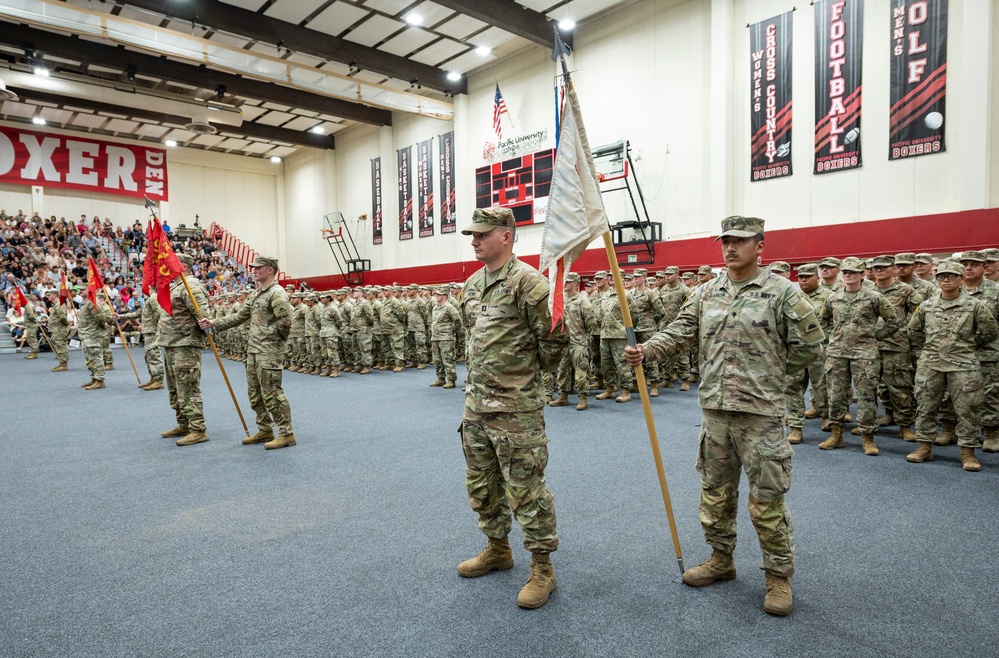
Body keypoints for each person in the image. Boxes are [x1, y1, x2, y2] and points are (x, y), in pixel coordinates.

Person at [624, 215, 825, 617]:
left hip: (760, 415)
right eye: (726, 241)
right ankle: (721, 559)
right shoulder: (706, 292)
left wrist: (772, 375)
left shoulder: (783, 293)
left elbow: (811, 347)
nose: (730, 248)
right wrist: (647, 350)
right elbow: (679, 331)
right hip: (715, 412)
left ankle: (778, 577)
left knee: (766, 501)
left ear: (760, 246)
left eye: (740, 241)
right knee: (715, 495)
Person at [456, 207, 567, 610]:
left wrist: (523, 379)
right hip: (476, 408)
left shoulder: (529, 284)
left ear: (506, 236)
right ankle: (497, 548)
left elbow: (555, 340)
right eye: (472, 234)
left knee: (526, 490)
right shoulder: (471, 285)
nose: (474, 240)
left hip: (516, 411)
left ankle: (542, 568)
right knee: (482, 486)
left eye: (482, 234)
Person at [906, 260, 998, 471]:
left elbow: (989, 332)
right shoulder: (927, 306)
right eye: (941, 276)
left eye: (951, 276)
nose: (945, 280)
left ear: (961, 279)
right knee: (926, 406)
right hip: (931, 364)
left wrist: (964, 347)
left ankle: (968, 452)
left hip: (964, 365)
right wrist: (933, 349)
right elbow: (914, 332)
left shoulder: (975, 306)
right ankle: (924, 447)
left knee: (969, 409)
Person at [200, 256, 296, 450]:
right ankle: (265, 429)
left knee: (272, 392)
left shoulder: (276, 293)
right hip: (253, 350)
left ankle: (286, 433)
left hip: (268, 351)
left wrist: (272, 339)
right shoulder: (257, 293)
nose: (254, 270)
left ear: (270, 270)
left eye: (258, 268)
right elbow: (240, 316)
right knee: (255, 393)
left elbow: (286, 322)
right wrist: (214, 323)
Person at [818, 257, 902, 455]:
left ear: (862, 275)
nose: (848, 275)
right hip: (837, 354)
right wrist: (833, 338)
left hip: (865, 354)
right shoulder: (832, 298)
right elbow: (824, 322)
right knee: (836, 395)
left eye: (853, 272)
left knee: (866, 396)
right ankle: (836, 435)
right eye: (845, 272)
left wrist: (873, 336)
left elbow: (893, 322)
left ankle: (867, 437)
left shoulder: (874, 297)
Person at [158, 253, 210, 447]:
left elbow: (203, 315)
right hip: (172, 343)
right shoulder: (176, 286)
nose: (166, 268)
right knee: (175, 388)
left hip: (185, 344)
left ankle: (198, 429)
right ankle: (184, 423)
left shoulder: (192, 286)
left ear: (183, 266)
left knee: (188, 387)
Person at [117, 290, 165, 390]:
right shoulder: (148, 299)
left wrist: (154, 326)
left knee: (154, 355)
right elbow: (138, 313)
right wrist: (120, 316)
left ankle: (159, 380)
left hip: (152, 332)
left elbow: (159, 313)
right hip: (148, 332)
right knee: (148, 356)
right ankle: (153, 378)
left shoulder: (153, 297)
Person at [428, 286, 460, 388]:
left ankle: (451, 380)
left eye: (438, 295)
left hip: (446, 338)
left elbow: (458, 321)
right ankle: (440, 378)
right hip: (435, 337)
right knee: (437, 360)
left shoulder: (449, 307)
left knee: (448, 359)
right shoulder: (435, 307)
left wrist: (451, 331)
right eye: (435, 294)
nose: (436, 296)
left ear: (445, 296)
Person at [45, 289, 70, 371]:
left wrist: (66, 324)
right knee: (59, 346)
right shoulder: (56, 304)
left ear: (55, 295)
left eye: (50, 295)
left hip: (59, 329)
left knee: (61, 346)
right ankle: (61, 363)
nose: (48, 296)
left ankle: (64, 364)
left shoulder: (59, 304)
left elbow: (62, 317)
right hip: (56, 329)